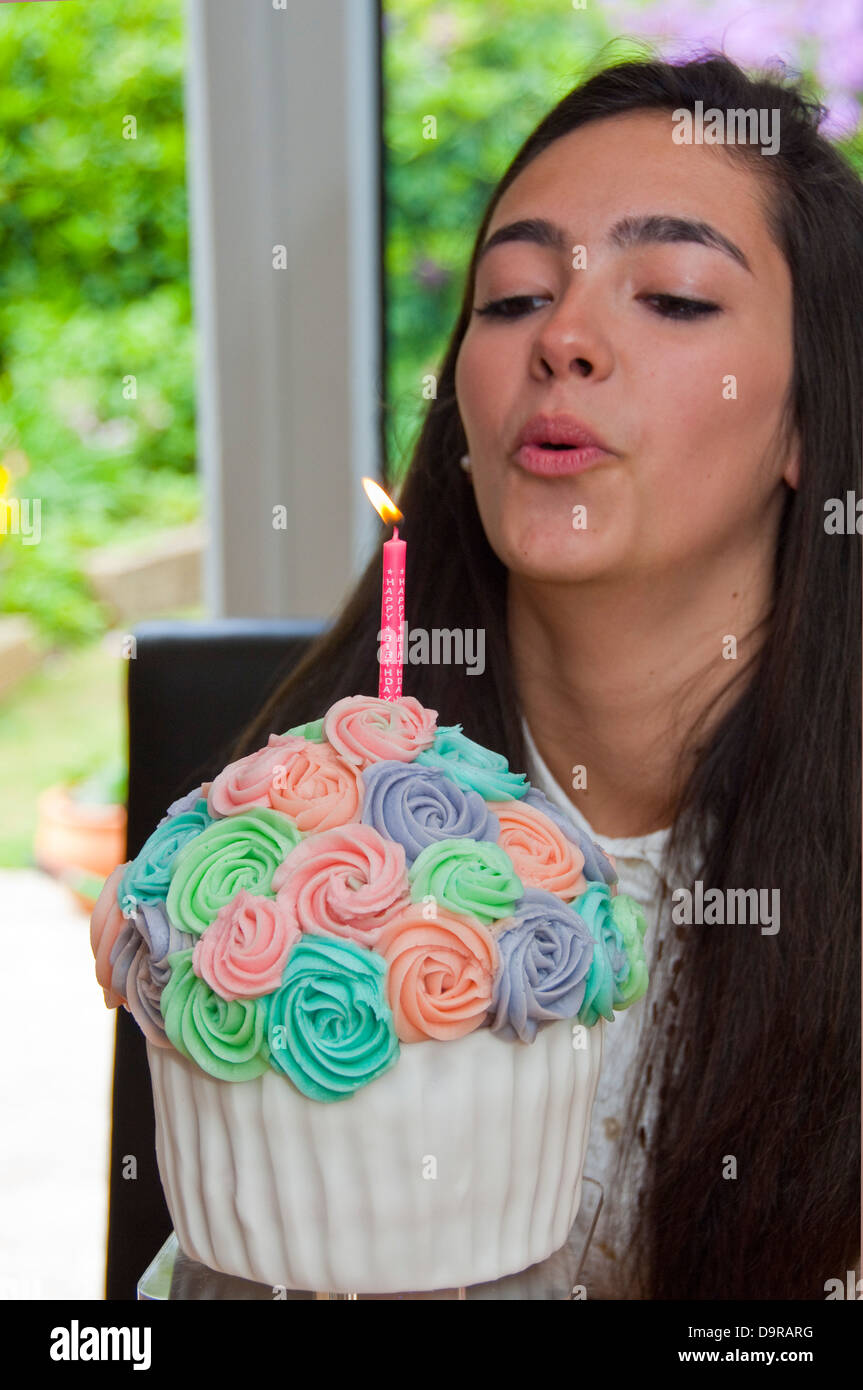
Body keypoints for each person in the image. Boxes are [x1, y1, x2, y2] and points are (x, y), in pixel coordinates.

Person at [217, 51, 861, 1298]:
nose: (562, 337)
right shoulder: (303, 843)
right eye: (511, 297)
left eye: (669, 296)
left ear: (805, 421)